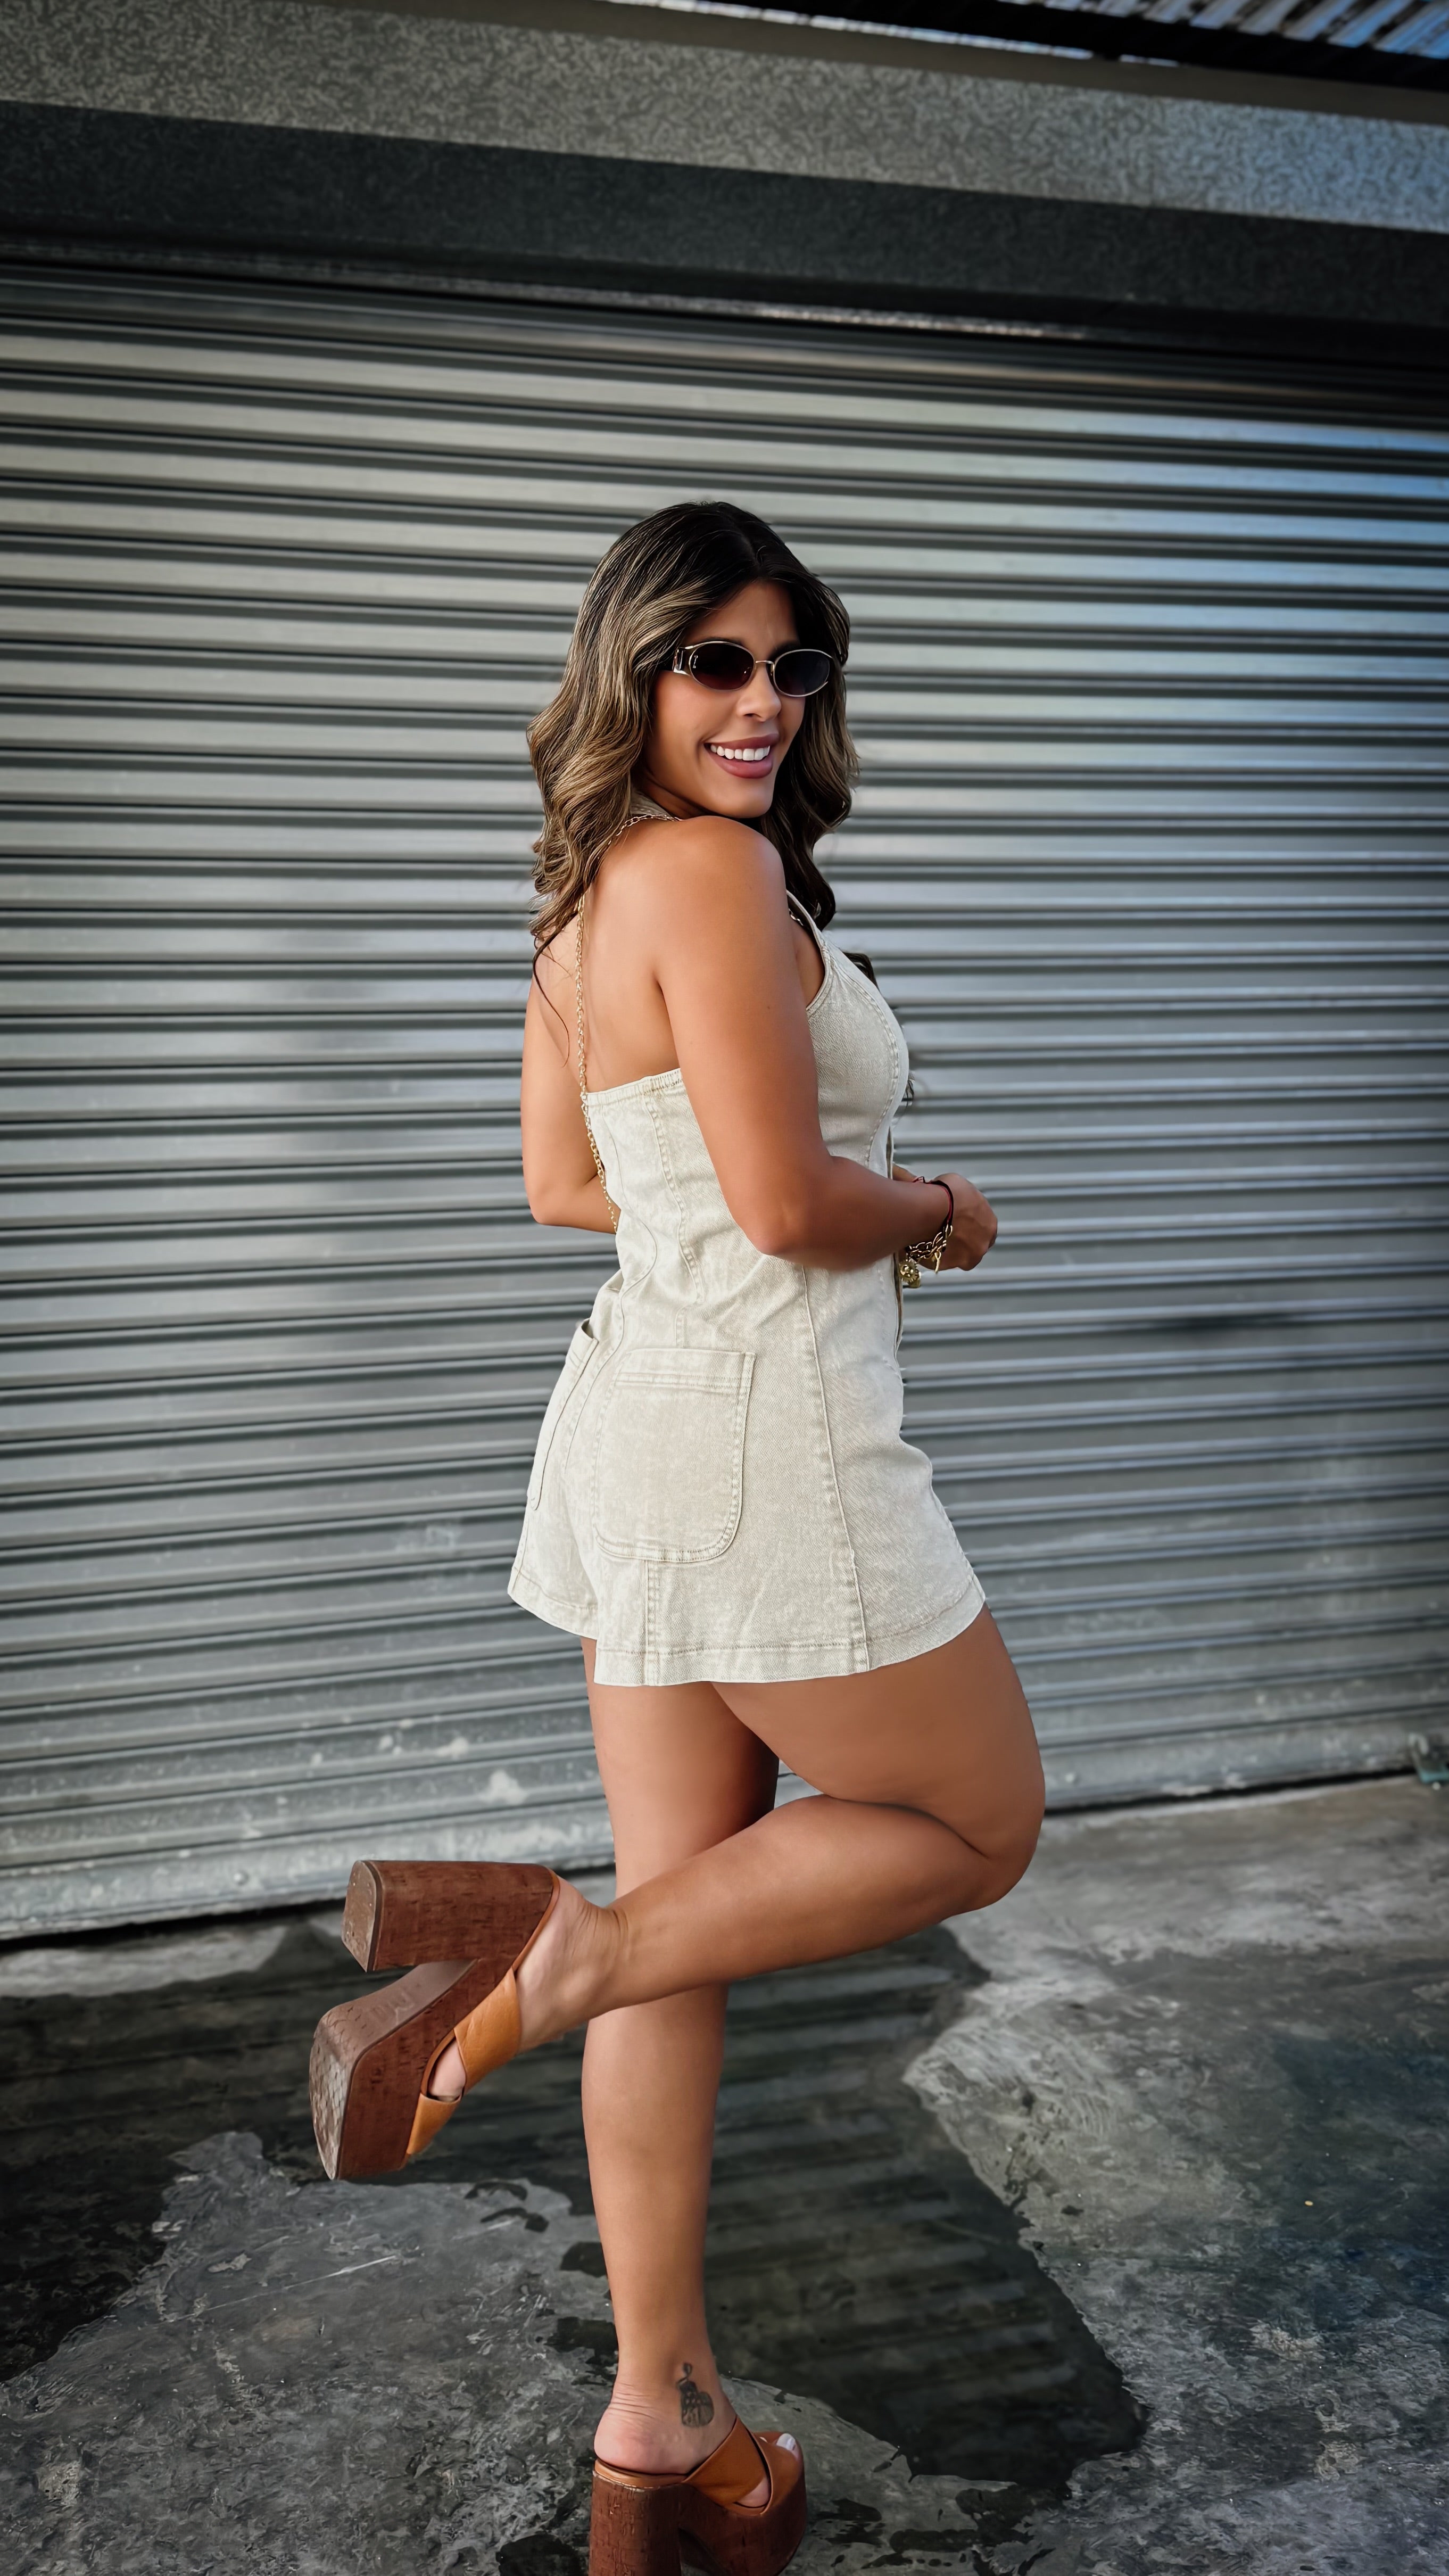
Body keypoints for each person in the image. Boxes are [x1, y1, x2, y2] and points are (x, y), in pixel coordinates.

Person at [311, 501, 1044, 2576]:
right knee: (975, 1824)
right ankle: (535, 1970)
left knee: (691, 1918)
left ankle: (662, 2415)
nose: (759, 702)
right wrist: (942, 1211)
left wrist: (770, 1194)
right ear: (630, 668)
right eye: (713, 660)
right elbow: (796, 1205)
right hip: (773, 1447)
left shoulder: (584, 894)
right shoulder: (713, 876)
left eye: (792, 666)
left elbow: (569, 1187)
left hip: (636, 1434)